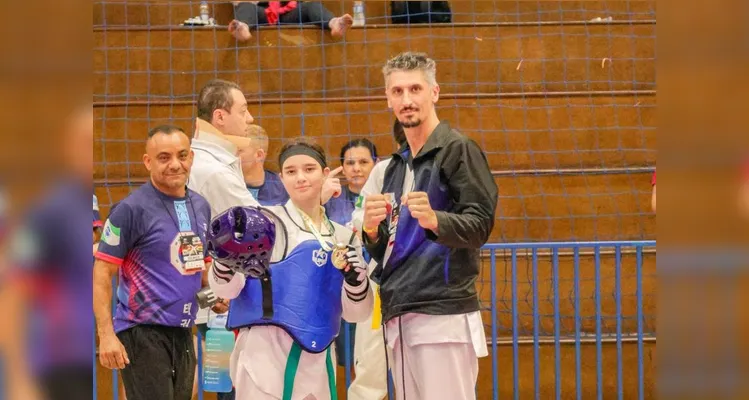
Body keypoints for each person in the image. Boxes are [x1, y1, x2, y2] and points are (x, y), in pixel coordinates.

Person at [362, 52, 498, 400]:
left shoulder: (458, 150)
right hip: (399, 313)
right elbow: (387, 250)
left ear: (434, 92)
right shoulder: (393, 168)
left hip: (442, 314)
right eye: (398, 92)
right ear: (388, 98)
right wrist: (372, 232)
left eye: (415, 89)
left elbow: (481, 224)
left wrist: (436, 219)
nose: (407, 100)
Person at [208, 138, 373, 400]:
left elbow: (357, 313)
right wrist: (225, 258)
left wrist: (356, 282)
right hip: (265, 354)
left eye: (309, 169)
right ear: (282, 178)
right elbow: (225, 288)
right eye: (291, 171)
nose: (300, 178)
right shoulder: (262, 223)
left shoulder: (343, 237)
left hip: (318, 357)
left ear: (325, 173)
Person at [93, 125, 213, 400]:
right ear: (147, 162)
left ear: (191, 157)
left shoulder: (201, 205)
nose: (175, 164)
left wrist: (215, 296)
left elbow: (198, 268)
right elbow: (102, 272)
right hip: (141, 332)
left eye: (182, 155)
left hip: (184, 331)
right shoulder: (131, 210)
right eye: (164, 157)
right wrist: (106, 335)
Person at [2, 106, 96, 400]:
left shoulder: (96, 208)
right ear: (69, 147)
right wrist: (19, 378)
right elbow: (15, 292)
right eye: (85, 143)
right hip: (62, 368)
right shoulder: (49, 211)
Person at [347, 119, 406, 400]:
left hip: (426, 287)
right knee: (371, 365)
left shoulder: (443, 167)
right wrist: (374, 224)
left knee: (419, 370)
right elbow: (358, 218)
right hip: (382, 284)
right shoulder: (384, 171)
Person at [229, 2, 353, 42]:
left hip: (291, 13)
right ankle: (242, 27)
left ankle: (334, 23)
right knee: (245, 5)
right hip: (265, 13)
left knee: (312, 5)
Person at [240, 124, 289, 206]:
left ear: (259, 155)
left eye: (239, 150)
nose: (231, 154)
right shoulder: (226, 185)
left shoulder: (284, 187)